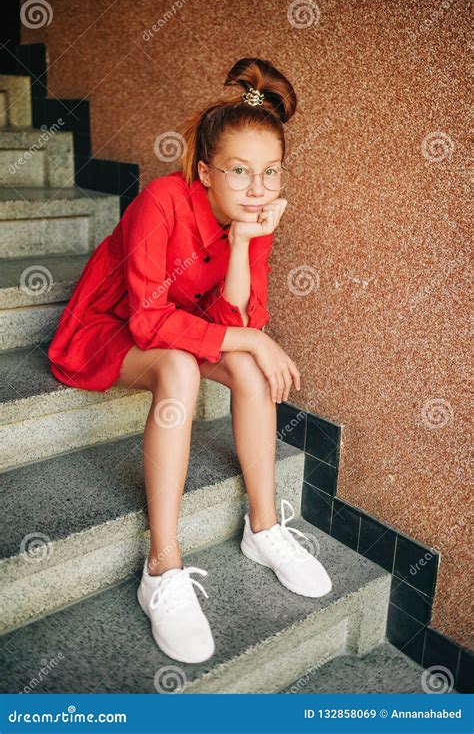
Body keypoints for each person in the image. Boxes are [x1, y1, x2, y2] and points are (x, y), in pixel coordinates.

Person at [47, 57, 332, 665]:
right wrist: (253, 338)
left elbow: (235, 323)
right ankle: (162, 567)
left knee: (249, 369)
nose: (259, 190)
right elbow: (149, 321)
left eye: (271, 174)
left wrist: (243, 244)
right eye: (239, 172)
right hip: (112, 325)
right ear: (205, 172)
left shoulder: (254, 221)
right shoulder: (163, 200)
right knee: (180, 366)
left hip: (187, 327)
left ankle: (263, 529)